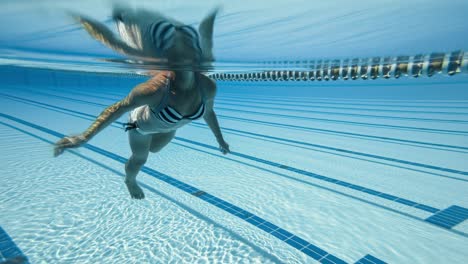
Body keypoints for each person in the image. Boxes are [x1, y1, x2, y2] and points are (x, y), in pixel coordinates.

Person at [54, 7, 229, 199]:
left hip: (169, 126)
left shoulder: (208, 87)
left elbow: (208, 112)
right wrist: (84, 137)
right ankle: (130, 180)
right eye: (177, 55)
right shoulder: (154, 90)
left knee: (155, 148)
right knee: (140, 158)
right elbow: (118, 108)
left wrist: (220, 139)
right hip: (141, 126)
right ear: (167, 57)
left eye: (188, 53)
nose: (185, 60)